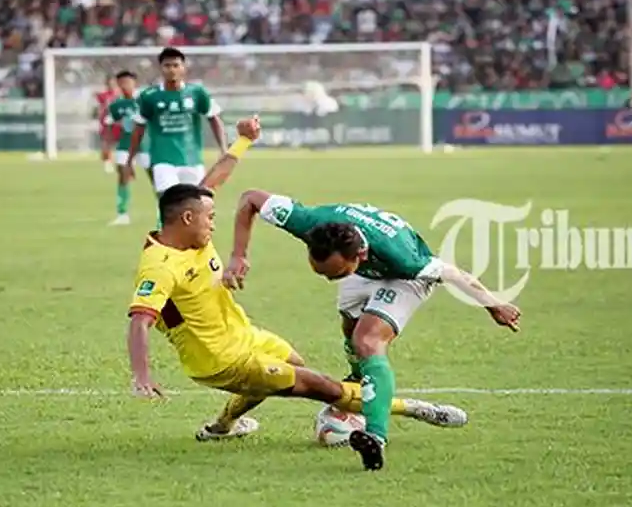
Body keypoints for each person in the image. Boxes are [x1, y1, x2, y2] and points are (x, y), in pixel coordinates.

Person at [127, 117, 468, 449]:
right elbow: (140, 320)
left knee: (293, 365)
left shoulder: (181, 226)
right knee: (324, 388)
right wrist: (142, 376)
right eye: (210, 218)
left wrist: (243, 140)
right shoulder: (160, 266)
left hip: (242, 335)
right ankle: (416, 409)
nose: (214, 225)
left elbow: (212, 182)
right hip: (219, 358)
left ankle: (223, 426)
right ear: (188, 218)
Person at [222, 192, 521, 471]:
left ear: (360, 254)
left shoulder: (405, 259)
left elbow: (454, 274)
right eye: (322, 273)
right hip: (363, 273)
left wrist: (494, 305)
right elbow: (251, 198)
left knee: (367, 341)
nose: (328, 280)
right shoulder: (309, 222)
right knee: (350, 330)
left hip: (403, 279)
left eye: (335, 274)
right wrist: (238, 254)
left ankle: (375, 437)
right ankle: (359, 382)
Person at [123, 48, 226, 201]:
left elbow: (214, 118)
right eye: (167, 65)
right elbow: (138, 129)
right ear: (160, 68)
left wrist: (223, 149)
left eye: (176, 65)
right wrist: (129, 160)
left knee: (194, 204)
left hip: (192, 160)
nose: (171, 69)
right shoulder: (149, 96)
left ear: (183, 68)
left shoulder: (197, 93)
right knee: (169, 203)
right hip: (162, 160)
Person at [102, 70, 150, 226]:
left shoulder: (145, 100)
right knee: (122, 173)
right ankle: (122, 214)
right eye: (121, 83)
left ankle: (165, 212)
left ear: (135, 83)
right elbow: (109, 125)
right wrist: (106, 146)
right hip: (126, 143)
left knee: (155, 177)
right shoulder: (117, 105)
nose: (124, 85)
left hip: (145, 144)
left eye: (127, 82)